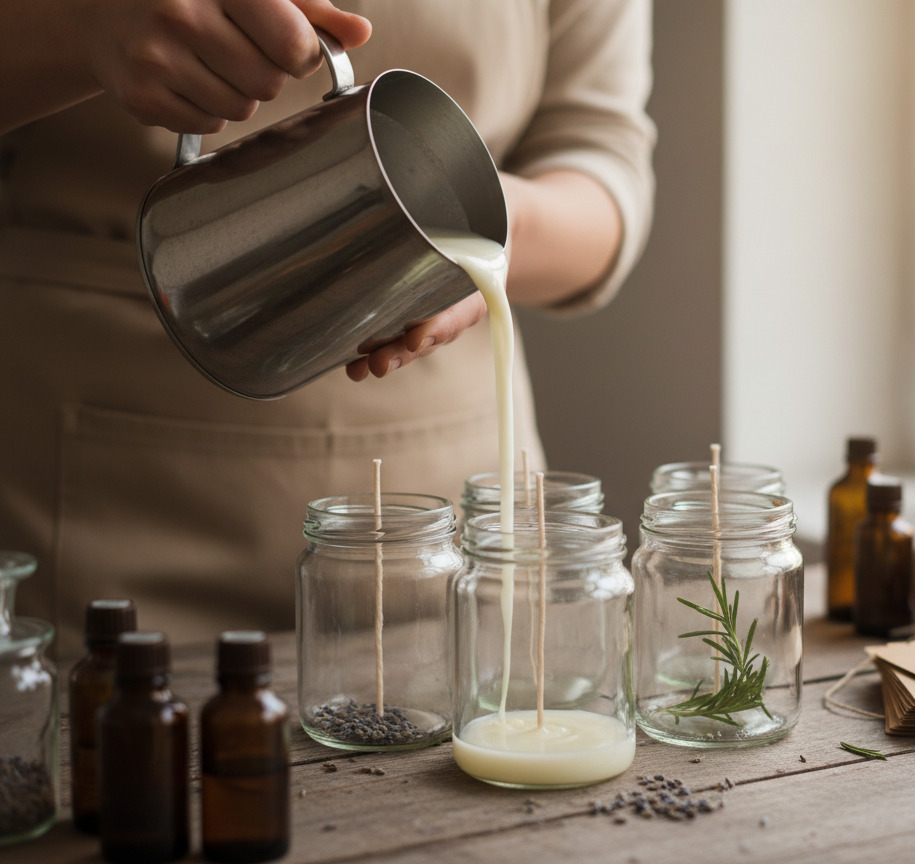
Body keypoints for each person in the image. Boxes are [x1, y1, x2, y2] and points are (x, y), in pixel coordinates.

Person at [0, 0, 656, 657]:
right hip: (104, 501)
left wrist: (478, 216)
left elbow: (601, 161)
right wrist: (81, 26)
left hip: (450, 530)